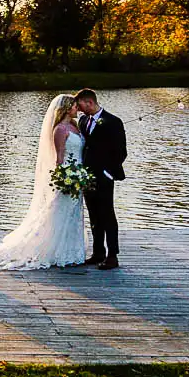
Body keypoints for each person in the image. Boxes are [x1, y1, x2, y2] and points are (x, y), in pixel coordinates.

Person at [0, 93, 86, 270]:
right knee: (62, 213)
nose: (77, 109)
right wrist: (64, 177)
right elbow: (59, 158)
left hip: (79, 175)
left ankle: (72, 252)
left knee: (74, 214)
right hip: (68, 176)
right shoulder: (60, 130)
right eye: (74, 106)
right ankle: (56, 252)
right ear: (66, 108)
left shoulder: (75, 127)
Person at [74, 88, 127, 270]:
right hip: (86, 177)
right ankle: (98, 253)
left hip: (104, 177)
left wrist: (108, 173)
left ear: (89, 102)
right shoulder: (82, 121)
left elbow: (121, 152)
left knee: (107, 215)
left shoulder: (113, 121)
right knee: (94, 215)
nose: (79, 110)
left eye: (81, 106)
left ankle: (112, 256)